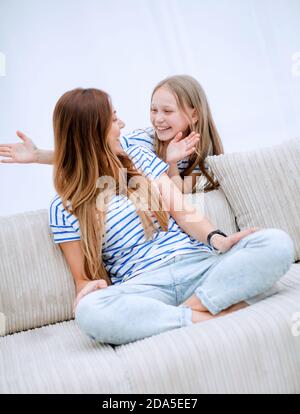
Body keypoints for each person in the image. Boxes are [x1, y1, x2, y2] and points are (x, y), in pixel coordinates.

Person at [13, 86, 292, 346]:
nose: (121, 123)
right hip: (143, 287)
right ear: (94, 131)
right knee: (90, 311)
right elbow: (82, 280)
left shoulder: (140, 157)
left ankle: (184, 312)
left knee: (275, 243)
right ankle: (209, 314)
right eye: (113, 119)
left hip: (195, 265)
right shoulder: (63, 206)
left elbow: (184, 213)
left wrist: (218, 239)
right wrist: (89, 287)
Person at [0, 75, 223, 193]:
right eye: (153, 110)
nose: (158, 119)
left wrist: (171, 163)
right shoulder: (144, 139)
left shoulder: (204, 155)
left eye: (167, 111)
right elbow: (95, 149)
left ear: (194, 115)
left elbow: (178, 193)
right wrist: (39, 156)